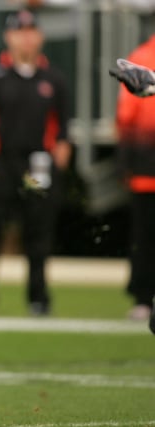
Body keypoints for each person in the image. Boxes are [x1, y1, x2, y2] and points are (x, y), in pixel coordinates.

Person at [0, 9, 71, 316]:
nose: (26, 38)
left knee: (39, 233)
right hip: (0, 164)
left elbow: (63, 130)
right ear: (8, 37)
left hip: (38, 166)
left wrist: (57, 168)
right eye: (19, 32)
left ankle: (39, 299)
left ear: (40, 36)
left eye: (31, 31)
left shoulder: (54, 78)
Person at [113, 38, 155, 322]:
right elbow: (126, 115)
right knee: (145, 236)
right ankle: (143, 296)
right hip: (147, 162)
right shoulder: (143, 55)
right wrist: (125, 159)